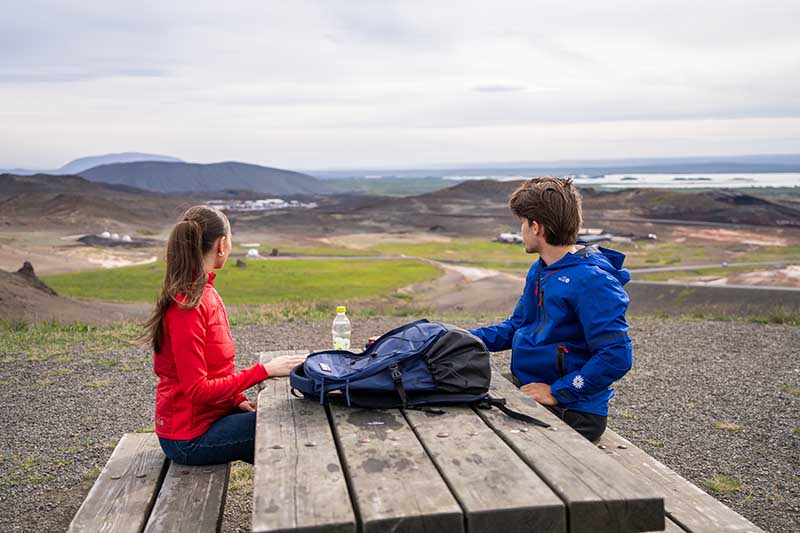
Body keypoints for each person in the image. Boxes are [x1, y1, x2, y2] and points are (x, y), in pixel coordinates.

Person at [468, 177, 632, 442]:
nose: (521, 229)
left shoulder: (593, 281)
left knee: (480, 436)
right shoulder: (542, 269)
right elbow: (517, 326)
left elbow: (616, 355)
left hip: (575, 411)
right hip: (532, 386)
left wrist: (558, 392)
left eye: (522, 222)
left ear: (535, 227)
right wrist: (462, 338)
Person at [144, 205, 306, 465]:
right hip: (189, 438)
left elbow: (214, 371)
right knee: (290, 426)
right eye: (231, 238)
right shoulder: (188, 307)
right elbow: (197, 390)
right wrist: (264, 370)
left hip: (207, 419)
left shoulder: (204, 293)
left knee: (285, 421)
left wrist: (237, 400)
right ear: (221, 245)